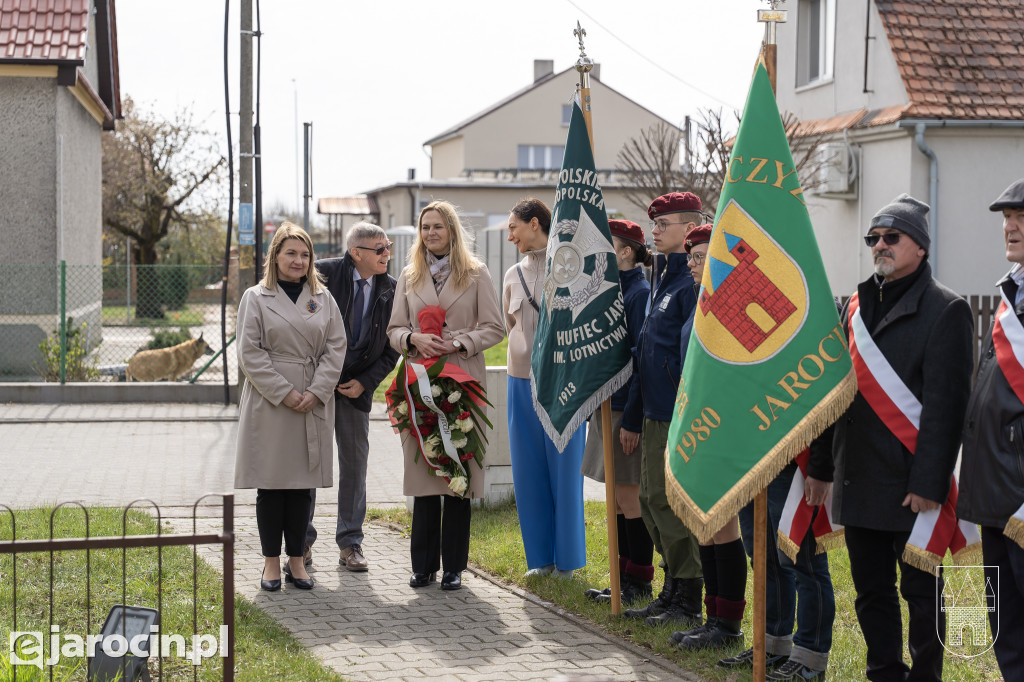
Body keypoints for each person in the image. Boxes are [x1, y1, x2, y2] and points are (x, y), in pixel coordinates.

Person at [833, 194, 973, 681]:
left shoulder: (947, 309)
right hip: (859, 477)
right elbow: (836, 396)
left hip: (910, 485)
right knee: (870, 591)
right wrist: (821, 470)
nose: (880, 245)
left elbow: (946, 408)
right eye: (874, 238)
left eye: (892, 237)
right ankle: (884, 671)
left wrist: (930, 483)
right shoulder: (855, 304)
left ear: (920, 247)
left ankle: (926, 675)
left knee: (921, 593)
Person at [387, 200, 504, 591]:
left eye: (438, 227)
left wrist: (458, 342)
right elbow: (393, 330)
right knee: (424, 472)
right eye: (425, 227)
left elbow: (494, 327)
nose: (431, 233)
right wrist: (412, 338)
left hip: (461, 380)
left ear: (452, 231)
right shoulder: (407, 276)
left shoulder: (476, 274)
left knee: (458, 470)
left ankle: (454, 567)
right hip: (420, 380)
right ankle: (423, 566)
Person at [235, 222, 347, 591]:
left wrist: (316, 391)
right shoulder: (255, 297)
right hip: (271, 402)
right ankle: (270, 563)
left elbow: (336, 347)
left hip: (312, 399)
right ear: (275, 257)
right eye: (291, 253)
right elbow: (249, 352)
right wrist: (285, 392)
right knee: (271, 485)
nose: (298, 261)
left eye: (304, 254)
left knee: (301, 487)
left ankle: (297, 561)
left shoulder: (323, 298)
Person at [620, 192, 704, 632]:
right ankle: (673, 587)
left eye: (664, 223)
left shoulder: (690, 282)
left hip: (678, 409)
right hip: (653, 407)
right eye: (653, 223)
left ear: (690, 227)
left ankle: (689, 596)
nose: (653, 230)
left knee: (670, 503)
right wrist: (633, 415)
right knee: (652, 501)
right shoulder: (660, 277)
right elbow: (645, 351)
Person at [665, 224, 747, 652]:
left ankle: (728, 623)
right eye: (691, 257)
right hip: (694, 421)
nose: (692, 264)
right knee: (705, 526)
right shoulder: (700, 301)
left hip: (724, 425)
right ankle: (713, 617)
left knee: (723, 525)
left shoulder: (733, 302)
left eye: (699, 257)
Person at [304, 222, 400, 572]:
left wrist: (365, 382)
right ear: (355, 252)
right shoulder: (324, 274)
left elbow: (393, 349)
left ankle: (351, 543)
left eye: (387, 245)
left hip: (356, 390)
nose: (386, 253)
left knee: (355, 465)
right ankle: (302, 544)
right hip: (316, 387)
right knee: (310, 464)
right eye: (378, 248)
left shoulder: (392, 289)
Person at [958, 177, 1024, 682]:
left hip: (1020, 489)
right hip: (995, 491)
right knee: (1004, 620)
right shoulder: (1010, 294)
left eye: (1021, 217)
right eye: (1006, 217)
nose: (1011, 226)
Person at [504, 197, 587, 578]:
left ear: (535, 223)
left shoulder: (572, 268)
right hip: (520, 382)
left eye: (513, 228)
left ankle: (568, 561)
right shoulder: (511, 276)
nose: (510, 236)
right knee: (528, 470)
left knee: (564, 472)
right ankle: (540, 559)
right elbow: (512, 328)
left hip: (564, 383)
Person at [723, 420, 837, 679]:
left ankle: (811, 658)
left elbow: (821, 402)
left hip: (792, 455)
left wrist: (820, 466)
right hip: (749, 455)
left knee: (805, 563)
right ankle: (773, 644)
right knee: (764, 559)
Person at [580, 218, 654, 602]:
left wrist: (631, 416)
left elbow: (641, 358)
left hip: (624, 405)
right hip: (607, 402)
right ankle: (624, 579)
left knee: (629, 499)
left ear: (624, 252)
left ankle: (638, 582)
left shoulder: (638, 293)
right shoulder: (610, 290)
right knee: (617, 500)